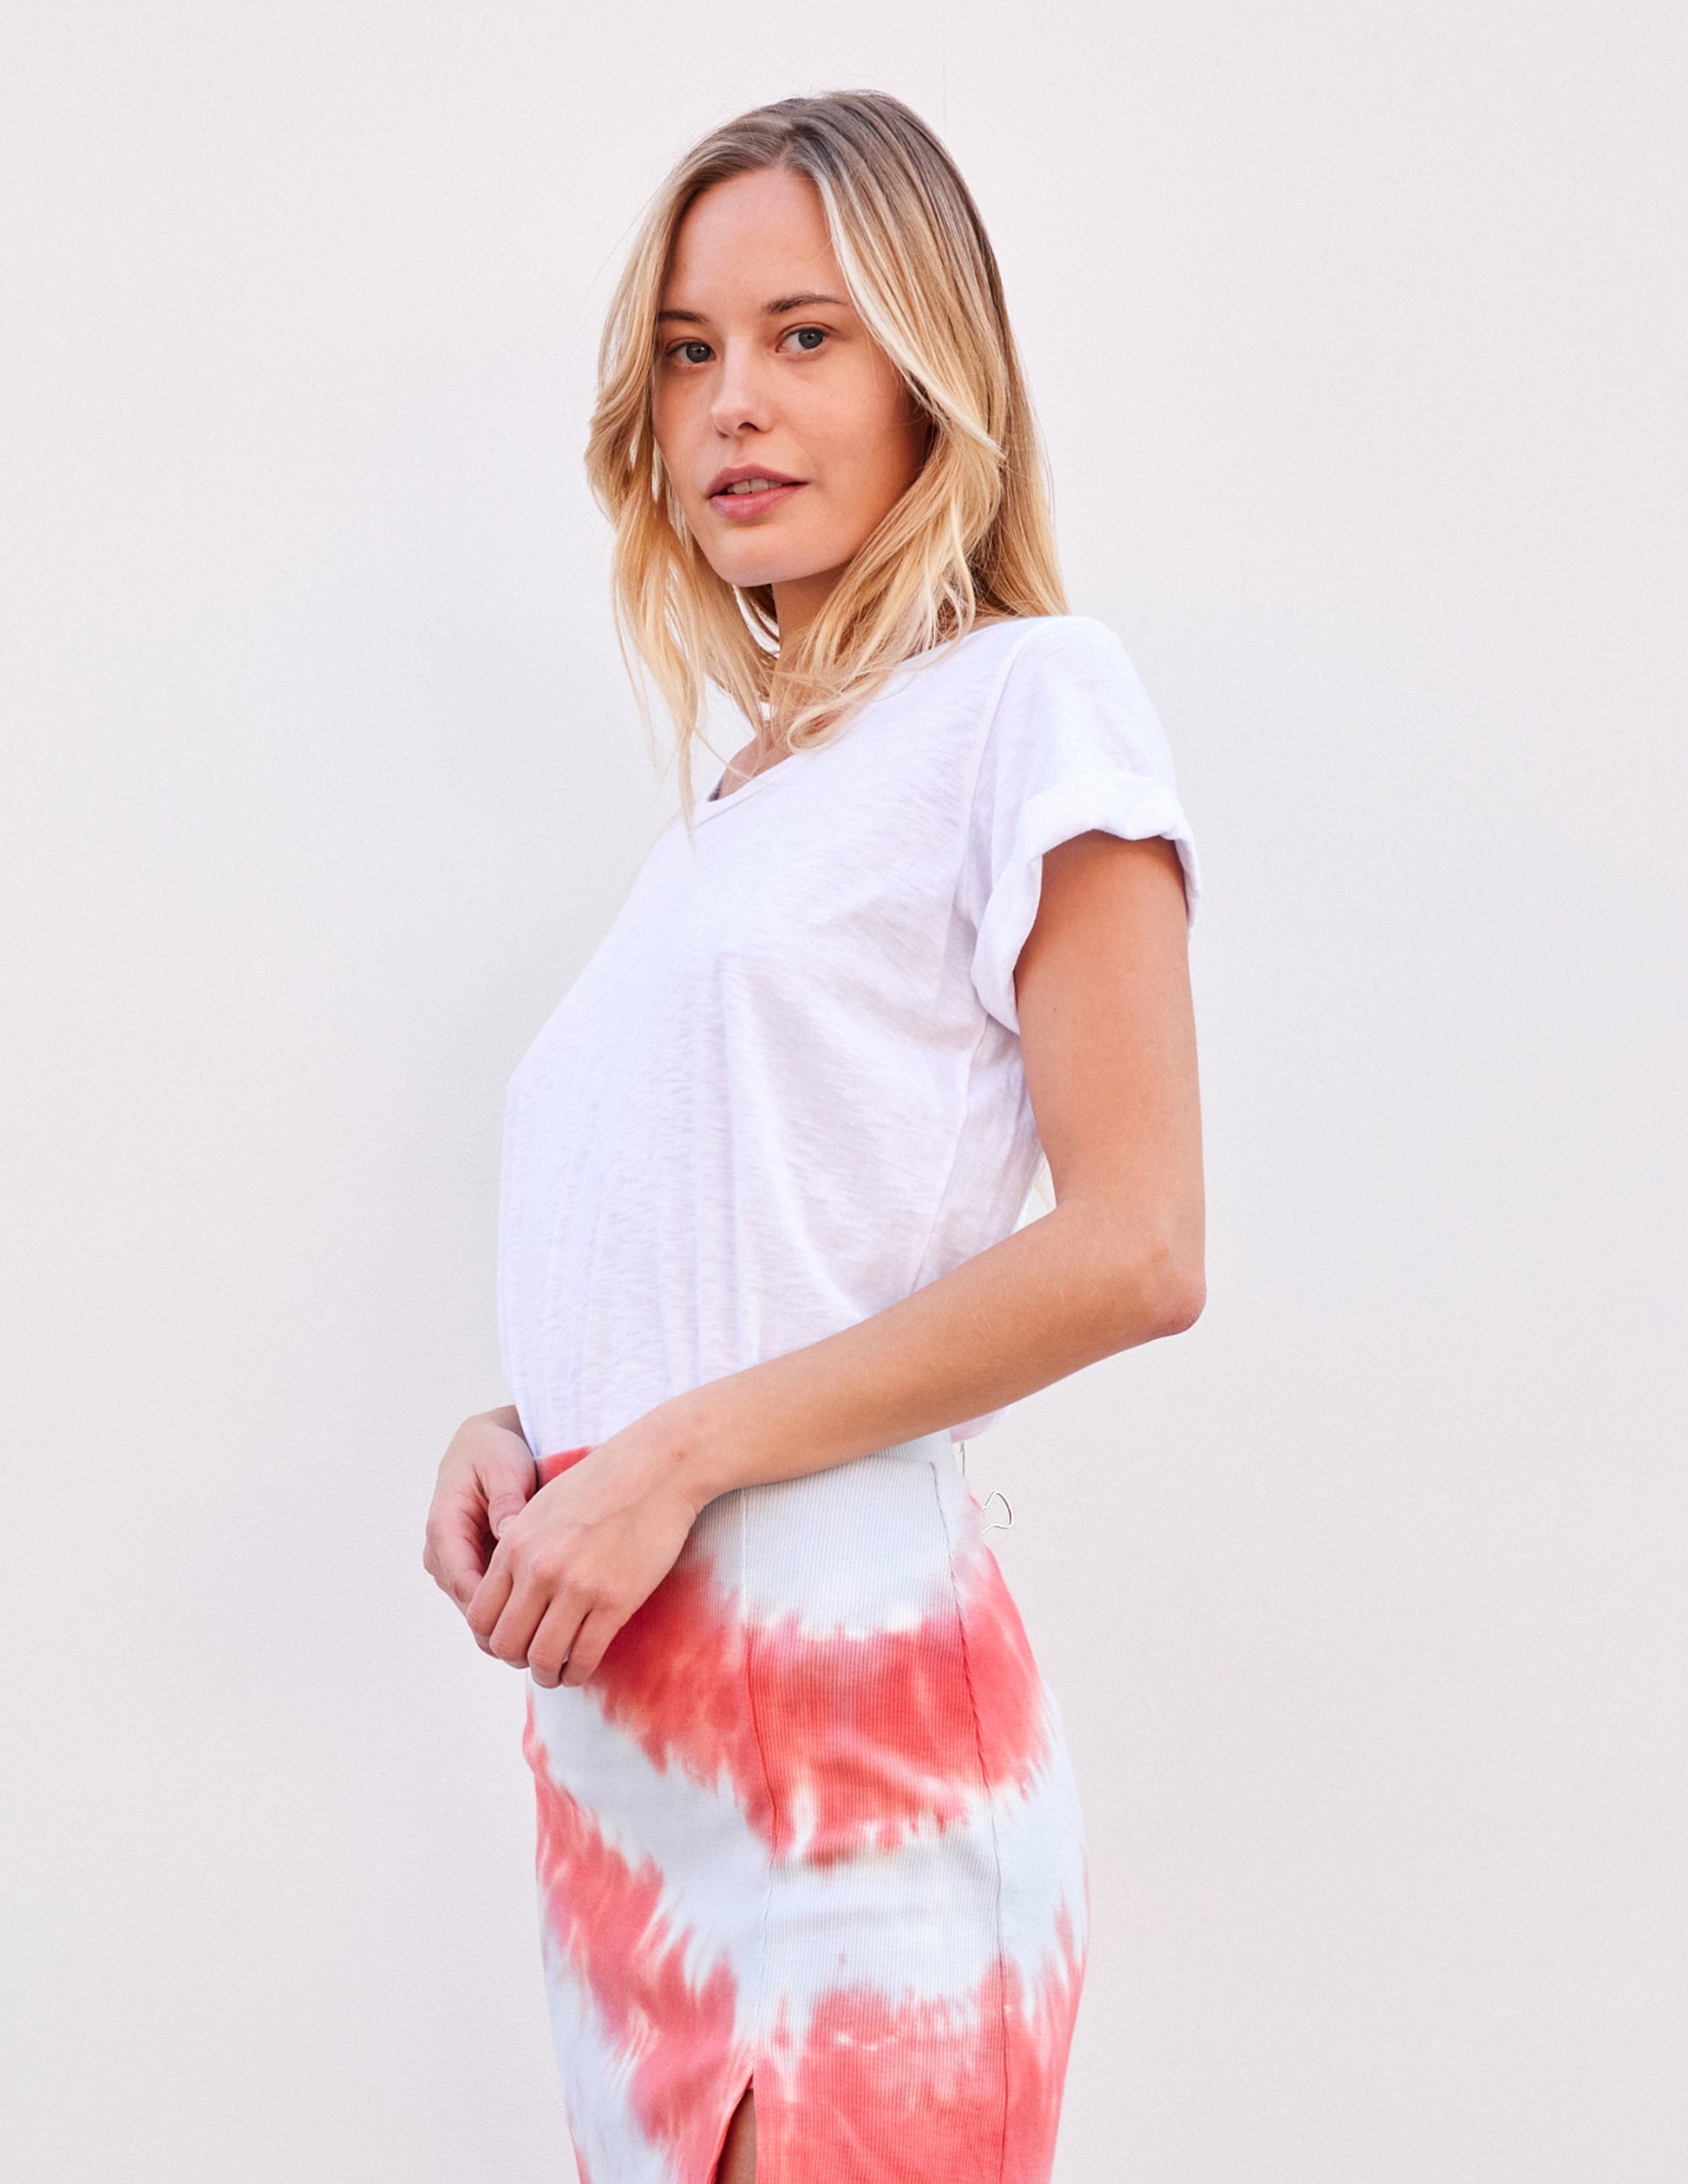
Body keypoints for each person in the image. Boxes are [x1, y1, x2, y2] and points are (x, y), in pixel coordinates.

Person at [422, 88, 1204, 2184]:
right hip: (626, 1773)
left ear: (934, 375)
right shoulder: (736, 816)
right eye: (689, 350)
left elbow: (1139, 1242)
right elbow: (747, 1241)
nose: (732, 404)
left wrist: (669, 1452)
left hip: (847, 1740)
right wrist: (534, 1431)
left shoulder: (1033, 701)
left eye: (804, 335)